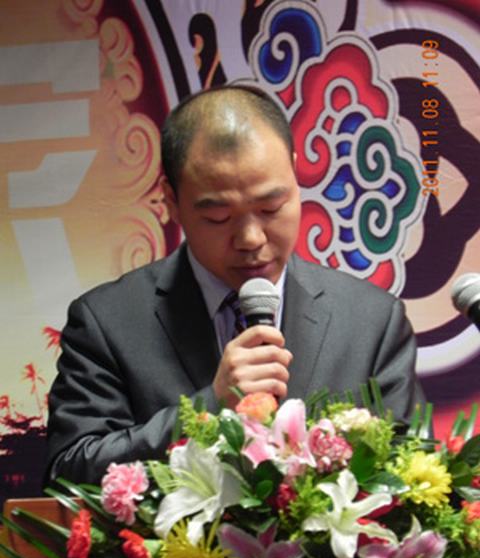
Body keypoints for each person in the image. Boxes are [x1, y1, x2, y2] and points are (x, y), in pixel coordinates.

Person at [45, 85, 425, 485]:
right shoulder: (106, 323)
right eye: (218, 218)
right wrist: (208, 408)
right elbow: (68, 471)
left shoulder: (372, 321)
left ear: (295, 174)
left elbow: (414, 477)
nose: (250, 239)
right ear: (171, 201)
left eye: (270, 208)